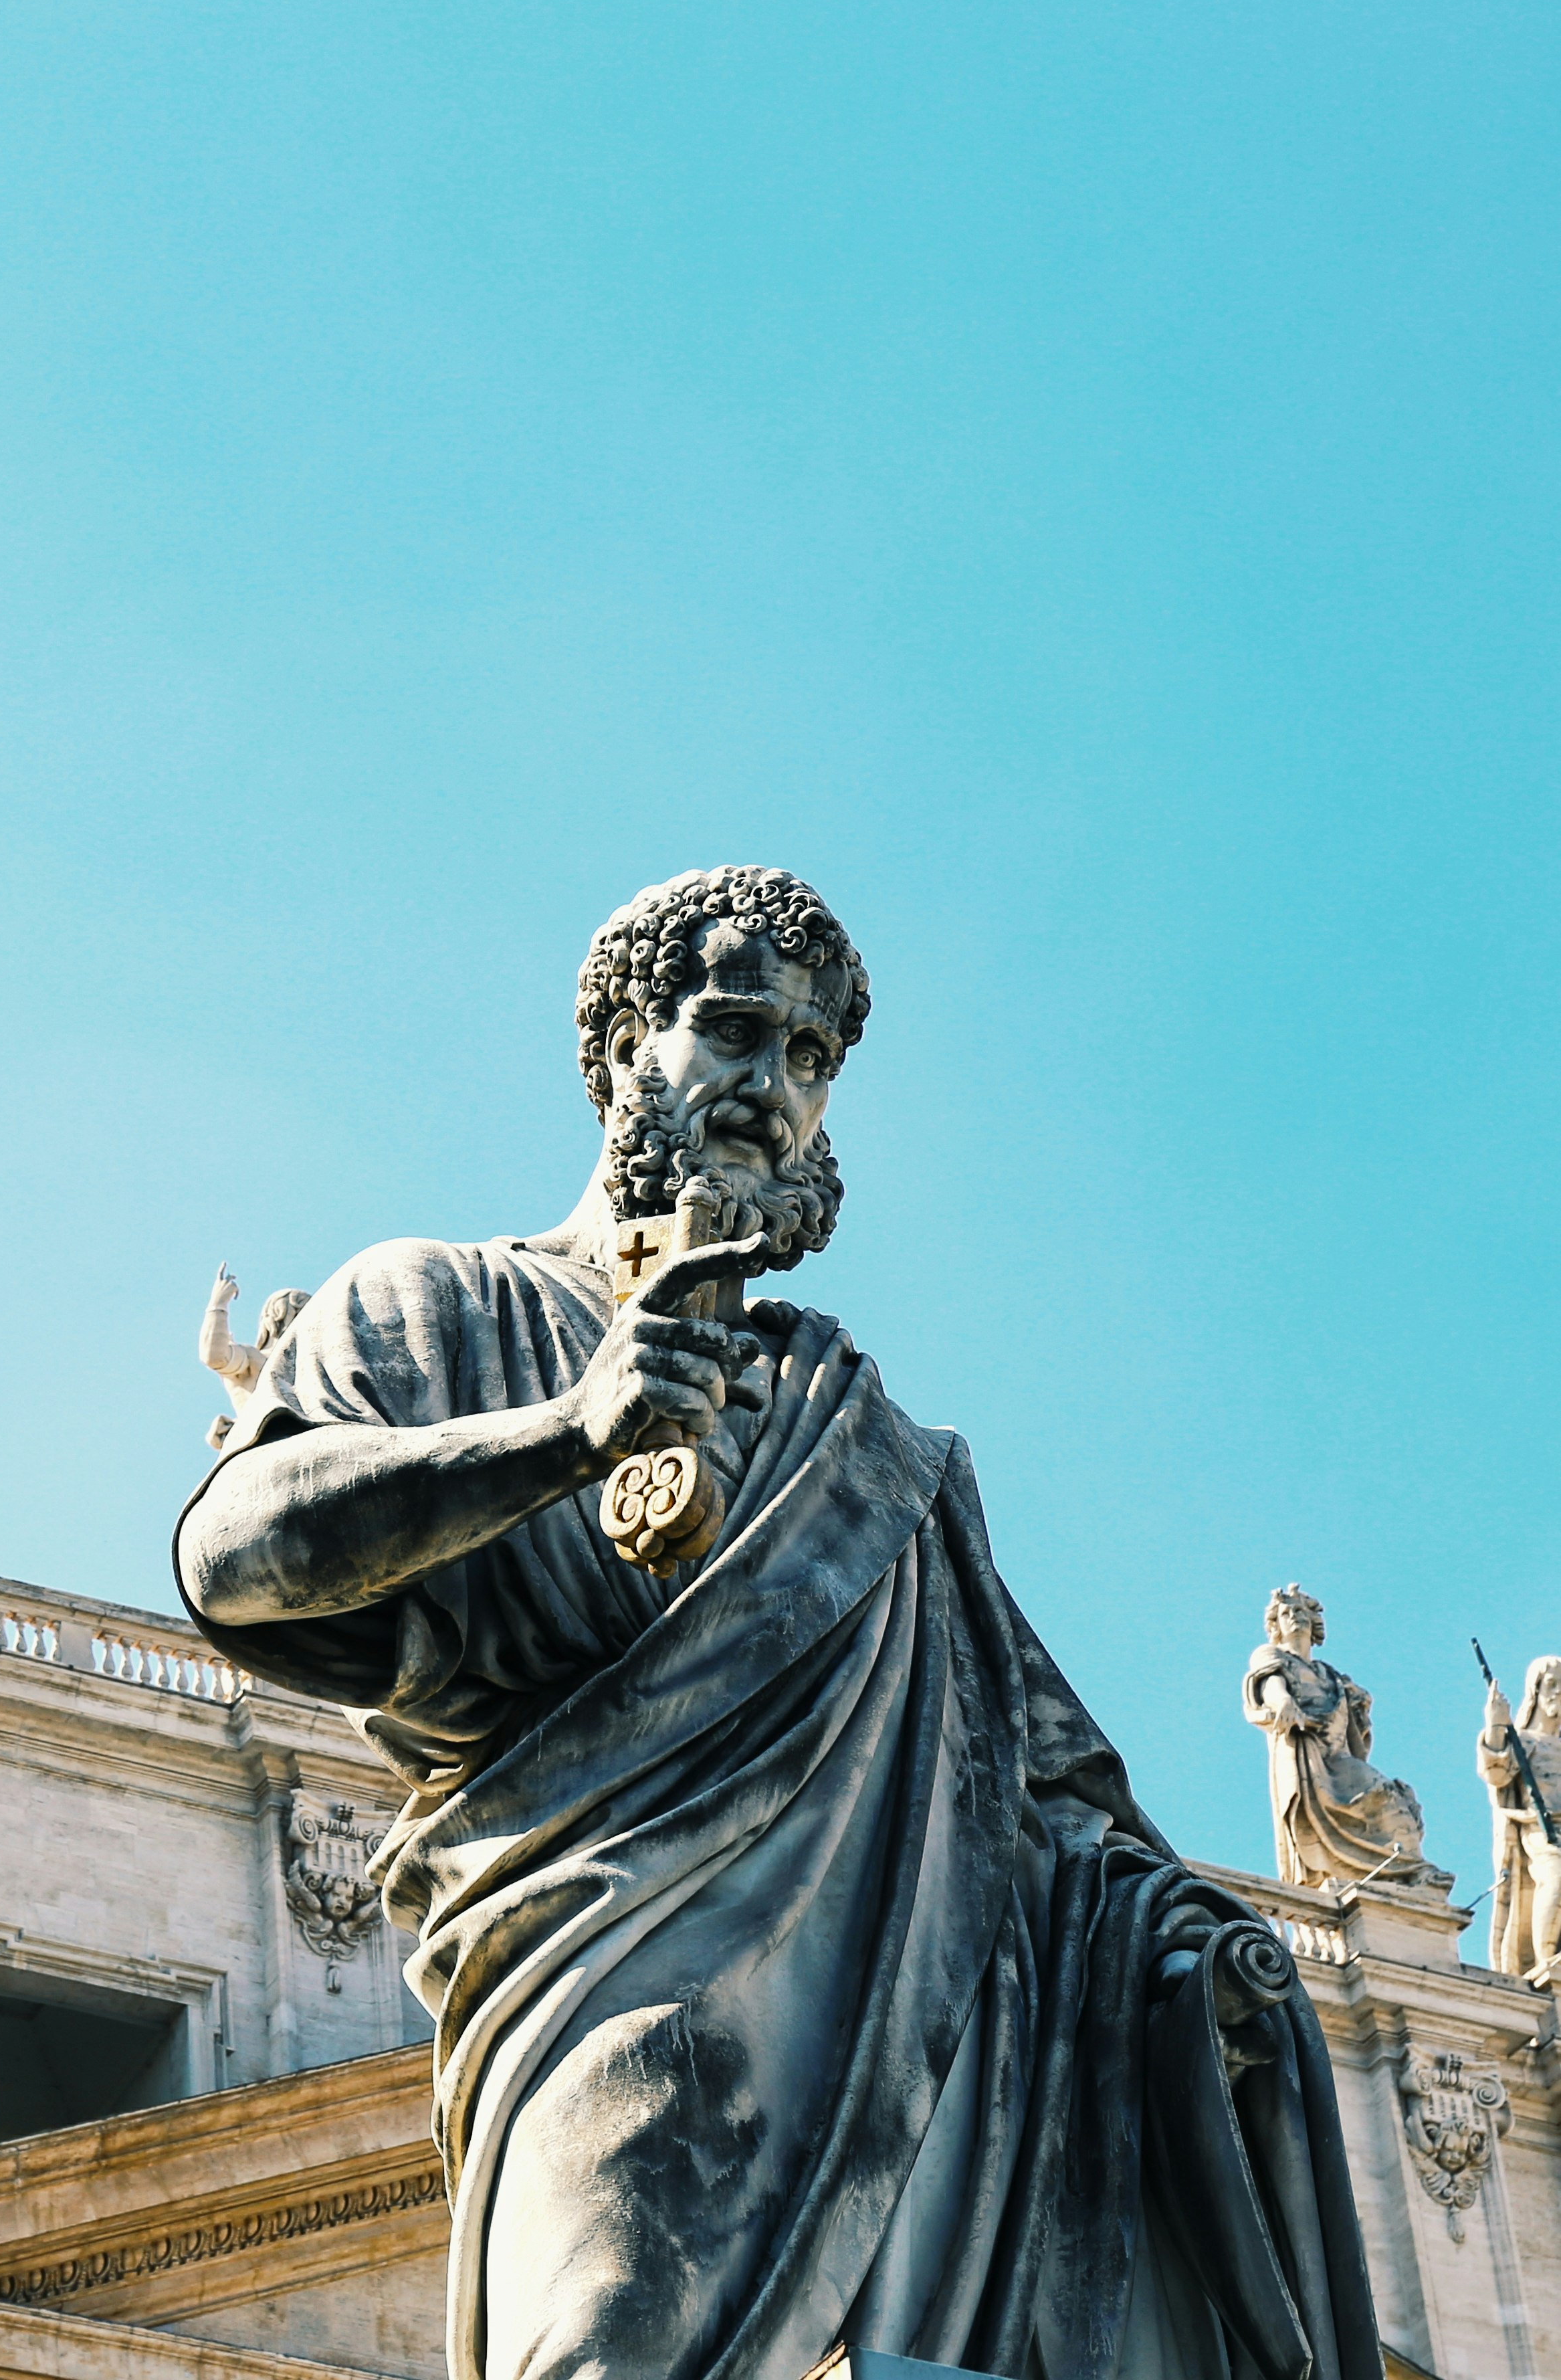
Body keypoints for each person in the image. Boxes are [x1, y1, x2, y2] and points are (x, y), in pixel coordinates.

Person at [176, 866, 1378, 2380]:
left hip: (911, 2118)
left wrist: (1194, 1961)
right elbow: (234, 1555)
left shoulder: (878, 1456)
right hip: (605, 2015)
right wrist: (566, 1435)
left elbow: (1059, 1812)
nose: (774, 1089)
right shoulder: (444, 1309)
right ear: (624, 1054)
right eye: (736, 1032)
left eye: (811, 1061)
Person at [1242, 1583, 1426, 1888]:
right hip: (1306, 1749)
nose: (1296, 1617)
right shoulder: (1271, 1654)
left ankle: (1411, 1871)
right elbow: (1269, 1683)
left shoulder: (1330, 1673)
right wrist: (1283, 1701)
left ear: (1314, 1621)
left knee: (1386, 1795)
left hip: (1338, 1755)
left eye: (1301, 1611)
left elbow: (1357, 1731)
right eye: (1287, 1613)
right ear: (1276, 1625)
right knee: (1349, 1807)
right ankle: (1392, 1874)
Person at [1479, 1654, 1561, 1981]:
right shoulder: (1523, 1741)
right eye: (1552, 1685)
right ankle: (1548, 1963)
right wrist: (1497, 1723)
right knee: (1556, 1881)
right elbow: (1497, 1772)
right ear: (1536, 1692)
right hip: (1540, 1831)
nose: (1558, 1693)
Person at [199, 1268, 311, 1450]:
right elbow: (214, 1357)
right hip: (265, 1447)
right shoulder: (253, 1358)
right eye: (295, 1314)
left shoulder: (310, 1369)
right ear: (277, 1318)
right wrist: (218, 1304)